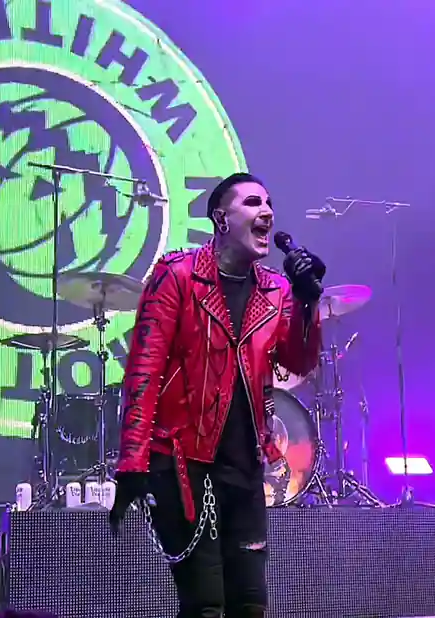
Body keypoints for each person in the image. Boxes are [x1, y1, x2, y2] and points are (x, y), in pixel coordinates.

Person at [109, 173, 324, 618]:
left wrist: (305, 304)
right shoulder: (177, 276)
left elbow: (300, 362)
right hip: (183, 465)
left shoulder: (275, 291)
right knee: (206, 605)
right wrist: (132, 463)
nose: (266, 211)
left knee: (250, 604)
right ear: (221, 218)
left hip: (246, 468)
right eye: (251, 203)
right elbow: (143, 372)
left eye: (268, 203)